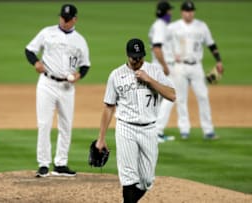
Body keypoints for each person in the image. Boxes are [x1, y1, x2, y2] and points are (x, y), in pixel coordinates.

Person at [95, 38, 175, 203]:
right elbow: (109, 107)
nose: (137, 61)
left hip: (150, 129)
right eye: (134, 58)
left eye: (140, 57)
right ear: (127, 55)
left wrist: (150, 80)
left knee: (146, 180)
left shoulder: (154, 71)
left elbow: (172, 95)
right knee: (129, 178)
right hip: (126, 128)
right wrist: (101, 138)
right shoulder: (116, 75)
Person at [24, 4, 91, 177]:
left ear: (75, 19)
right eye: (62, 18)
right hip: (47, 83)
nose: (64, 21)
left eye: (68, 19)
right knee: (44, 123)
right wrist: (36, 63)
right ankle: (43, 163)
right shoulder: (47, 32)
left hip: (67, 88)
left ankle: (61, 163)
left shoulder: (80, 40)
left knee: (66, 125)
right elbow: (29, 50)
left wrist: (78, 76)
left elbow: (85, 65)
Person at [169, 0, 223, 139]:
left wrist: (218, 60)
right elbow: (162, 44)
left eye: (191, 11)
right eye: (187, 11)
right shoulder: (173, 27)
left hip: (196, 66)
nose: (189, 13)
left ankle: (208, 130)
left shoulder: (201, 26)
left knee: (203, 96)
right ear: (182, 12)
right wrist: (170, 56)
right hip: (180, 66)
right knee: (181, 98)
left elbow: (211, 44)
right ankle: (184, 129)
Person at [148, 0, 176, 143]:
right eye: (169, 10)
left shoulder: (160, 26)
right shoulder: (160, 26)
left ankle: (155, 131)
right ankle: (157, 131)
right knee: (168, 98)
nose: (171, 13)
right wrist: (165, 66)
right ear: (165, 12)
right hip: (161, 67)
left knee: (159, 100)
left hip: (158, 65)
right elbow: (157, 48)